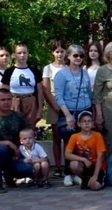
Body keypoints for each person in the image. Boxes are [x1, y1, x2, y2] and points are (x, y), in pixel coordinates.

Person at [53, 44, 95, 185]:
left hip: (86, 109)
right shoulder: (61, 74)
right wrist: (67, 115)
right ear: (69, 56)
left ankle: (79, 171)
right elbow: (58, 96)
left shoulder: (85, 73)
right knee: (69, 141)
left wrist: (94, 110)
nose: (78, 58)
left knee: (83, 142)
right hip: (69, 111)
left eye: (81, 56)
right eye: (75, 55)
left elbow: (89, 93)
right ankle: (68, 172)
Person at [0, 88, 32, 193]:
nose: (6, 102)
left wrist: (25, 151)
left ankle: (9, 175)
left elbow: (28, 135)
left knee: (28, 170)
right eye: (2, 100)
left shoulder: (18, 117)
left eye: (8, 99)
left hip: (15, 153)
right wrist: (7, 143)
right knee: (1, 149)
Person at [0, 42, 45, 134]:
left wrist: (40, 110)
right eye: (19, 53)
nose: (22, 55)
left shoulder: (33, 70)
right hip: (14, 101)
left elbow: (40, 91)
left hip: (30, 102)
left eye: (24, 53)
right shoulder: (9, 71)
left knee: (29, 132)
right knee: (14, 131)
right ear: (14, 55)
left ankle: (28, 148)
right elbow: (3, 92)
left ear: (28, 54)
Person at [64, 110, 107, 191]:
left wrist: (95, 175)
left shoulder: (97, 136)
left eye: (89, 121)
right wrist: (83, 159)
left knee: (95, 187)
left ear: (93, 123)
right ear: (78, 124)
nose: (86, 123)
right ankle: (84, 179)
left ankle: (94, 179)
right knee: (73, 164)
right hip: (85, 165)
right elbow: (67, 154)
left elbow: (101, 156)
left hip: (98, 166)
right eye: (83, 121)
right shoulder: (74, 136)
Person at [41, 40, 67, 156]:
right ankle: (57, 167)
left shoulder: (69, 67)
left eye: (62, 51)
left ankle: (68, 165)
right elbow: (46, 89)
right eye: (57, 52)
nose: (59, 54)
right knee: (56, 137)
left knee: (68, 136)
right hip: (54, 104)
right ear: (53, 53)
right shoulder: (48, 68)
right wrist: (55, 107)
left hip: (68, 104)